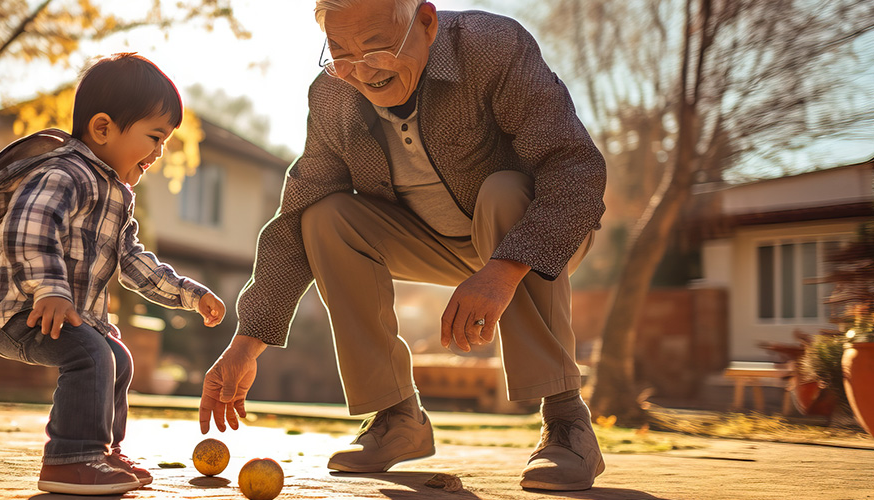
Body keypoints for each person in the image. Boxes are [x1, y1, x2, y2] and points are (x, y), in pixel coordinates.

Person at [199, 0, 607, 492]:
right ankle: (397, 418)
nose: (361, 70)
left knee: (502, 191)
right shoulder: (333, 96)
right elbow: (291, 224)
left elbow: (575, 168)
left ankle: (566, 421)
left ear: (427, 22)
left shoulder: (490, 47)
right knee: (323, 216)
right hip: (429, 242)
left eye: (377, 47)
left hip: (532, 229)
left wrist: (502, 270)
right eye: (340, 52)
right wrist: (247, 343)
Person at [0, 53, 226, 496]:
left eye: (165, 140)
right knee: (91, 355)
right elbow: (26, 229)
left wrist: (188, 293)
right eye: (154, 136)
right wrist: (49, 288)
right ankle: (70, 459)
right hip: (18, 311)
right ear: (103, 128)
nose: (160, 152)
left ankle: (101, 452)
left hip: (60, 315)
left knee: (116, 356)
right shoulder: (64, 173)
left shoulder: (116, 196)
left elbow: (132, 262)